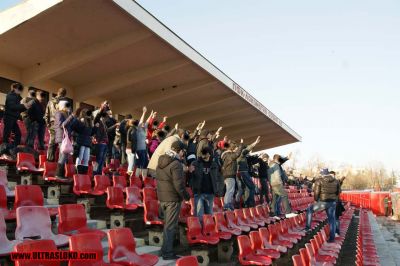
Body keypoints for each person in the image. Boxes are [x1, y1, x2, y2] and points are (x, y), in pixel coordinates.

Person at [156, 141, 190, 260]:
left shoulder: (161, 161)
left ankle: (164, 250)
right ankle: (168, 253)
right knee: (170, 227)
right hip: (172, 200)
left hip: (163, 199)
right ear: (179, 150)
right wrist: (187, 197)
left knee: (167, 226)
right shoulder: (176, 164)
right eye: (183, 151)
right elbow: (179, 185)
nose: (183, 154)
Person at [305, 168, 340, 242]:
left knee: (309, 209)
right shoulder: (336, 181)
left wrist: (316, 200)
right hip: (333, 202)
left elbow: (316, 193)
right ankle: (332, 238)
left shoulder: (319, 180)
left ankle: (308, 228)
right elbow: (338, 192)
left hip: (323, 202)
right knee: (332, 220)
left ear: (322, 174)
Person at [190, 146, 224, 223]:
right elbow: (190, 177)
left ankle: (207, 231)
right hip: (199, 193)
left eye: (205, 153)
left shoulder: (214, 164)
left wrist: (218, 189)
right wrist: (193, 187)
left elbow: (219, 178)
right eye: (202, 153)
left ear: (209, 154)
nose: (203, 155)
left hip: (210, 193)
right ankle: (200, 232)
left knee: (209, 216)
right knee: (199, 216)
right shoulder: (195, 163)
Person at [236, 136, 261, 208]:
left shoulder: (242, 155)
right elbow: (247, 149)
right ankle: (249, 203)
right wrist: (255, 143)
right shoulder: (241, 154)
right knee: (252, 187)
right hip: (243, 172)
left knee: (246, 189)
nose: (249, 152)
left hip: (243, 172)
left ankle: (247, 204)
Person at [54, 100, 75, 179]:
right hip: (61, 137)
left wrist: (71, 117)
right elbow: (61, 125)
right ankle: (58, 174)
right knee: (64, 155)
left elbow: (69, 125)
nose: (68, 108)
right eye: (67, 106)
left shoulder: (66, 114)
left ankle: (61, 174)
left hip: (66, 137)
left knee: (63, 156)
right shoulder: (58, 113)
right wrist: (70, 117)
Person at [45, 88, 67, 161]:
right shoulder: (65, 102)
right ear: (65, 94)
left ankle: (50, 161)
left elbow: (46, 114)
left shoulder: (50, 101)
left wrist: (48, 124)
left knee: (52, 143)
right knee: (61, 144)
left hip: (52, 124)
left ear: (57, 92)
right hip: (61, 124)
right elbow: (67, 115)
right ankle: (61, 164)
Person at [221, 139, 244, 210]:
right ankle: (226, 206)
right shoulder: (228, 155)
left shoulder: (226, 154)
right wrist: (241, 145)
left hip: (229, 175)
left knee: (230, 190)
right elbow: (237, 154)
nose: (235, 150)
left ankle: (229, 205)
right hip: (229, 175)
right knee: (230, 191)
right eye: (235, 148)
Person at [70, 109, 94, 174]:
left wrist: (96, 127)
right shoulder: (80, 121)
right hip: (81, 142)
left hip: (88, 143)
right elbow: (72, 126)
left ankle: (83, 174)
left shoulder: (90, 122)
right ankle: (78, 173)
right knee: (80, 157)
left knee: (86, 159)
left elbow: (91, 133)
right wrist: (78, 120)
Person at [93, 102, 110, 175]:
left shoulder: (104, 124)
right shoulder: (98, 121)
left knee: (102, 160)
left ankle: (99, 173)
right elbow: (98, 115)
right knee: (98, 159)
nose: (107, 119)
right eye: (106, 117)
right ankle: (95, 173)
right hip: (100, 143)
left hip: (105, 143)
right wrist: (102, 108)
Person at [134, 106, 151, 178]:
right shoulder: (138, 130)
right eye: (142, 124)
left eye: (144, 124)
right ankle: (136, 178)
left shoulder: (144, 130)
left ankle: (144, 179)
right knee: (139, 164)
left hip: (144, 150)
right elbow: (141, 121)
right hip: (138, 150)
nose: (143, 124)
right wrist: (144, 112)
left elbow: (147, 122)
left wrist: (151, 115)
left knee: (145, 164)